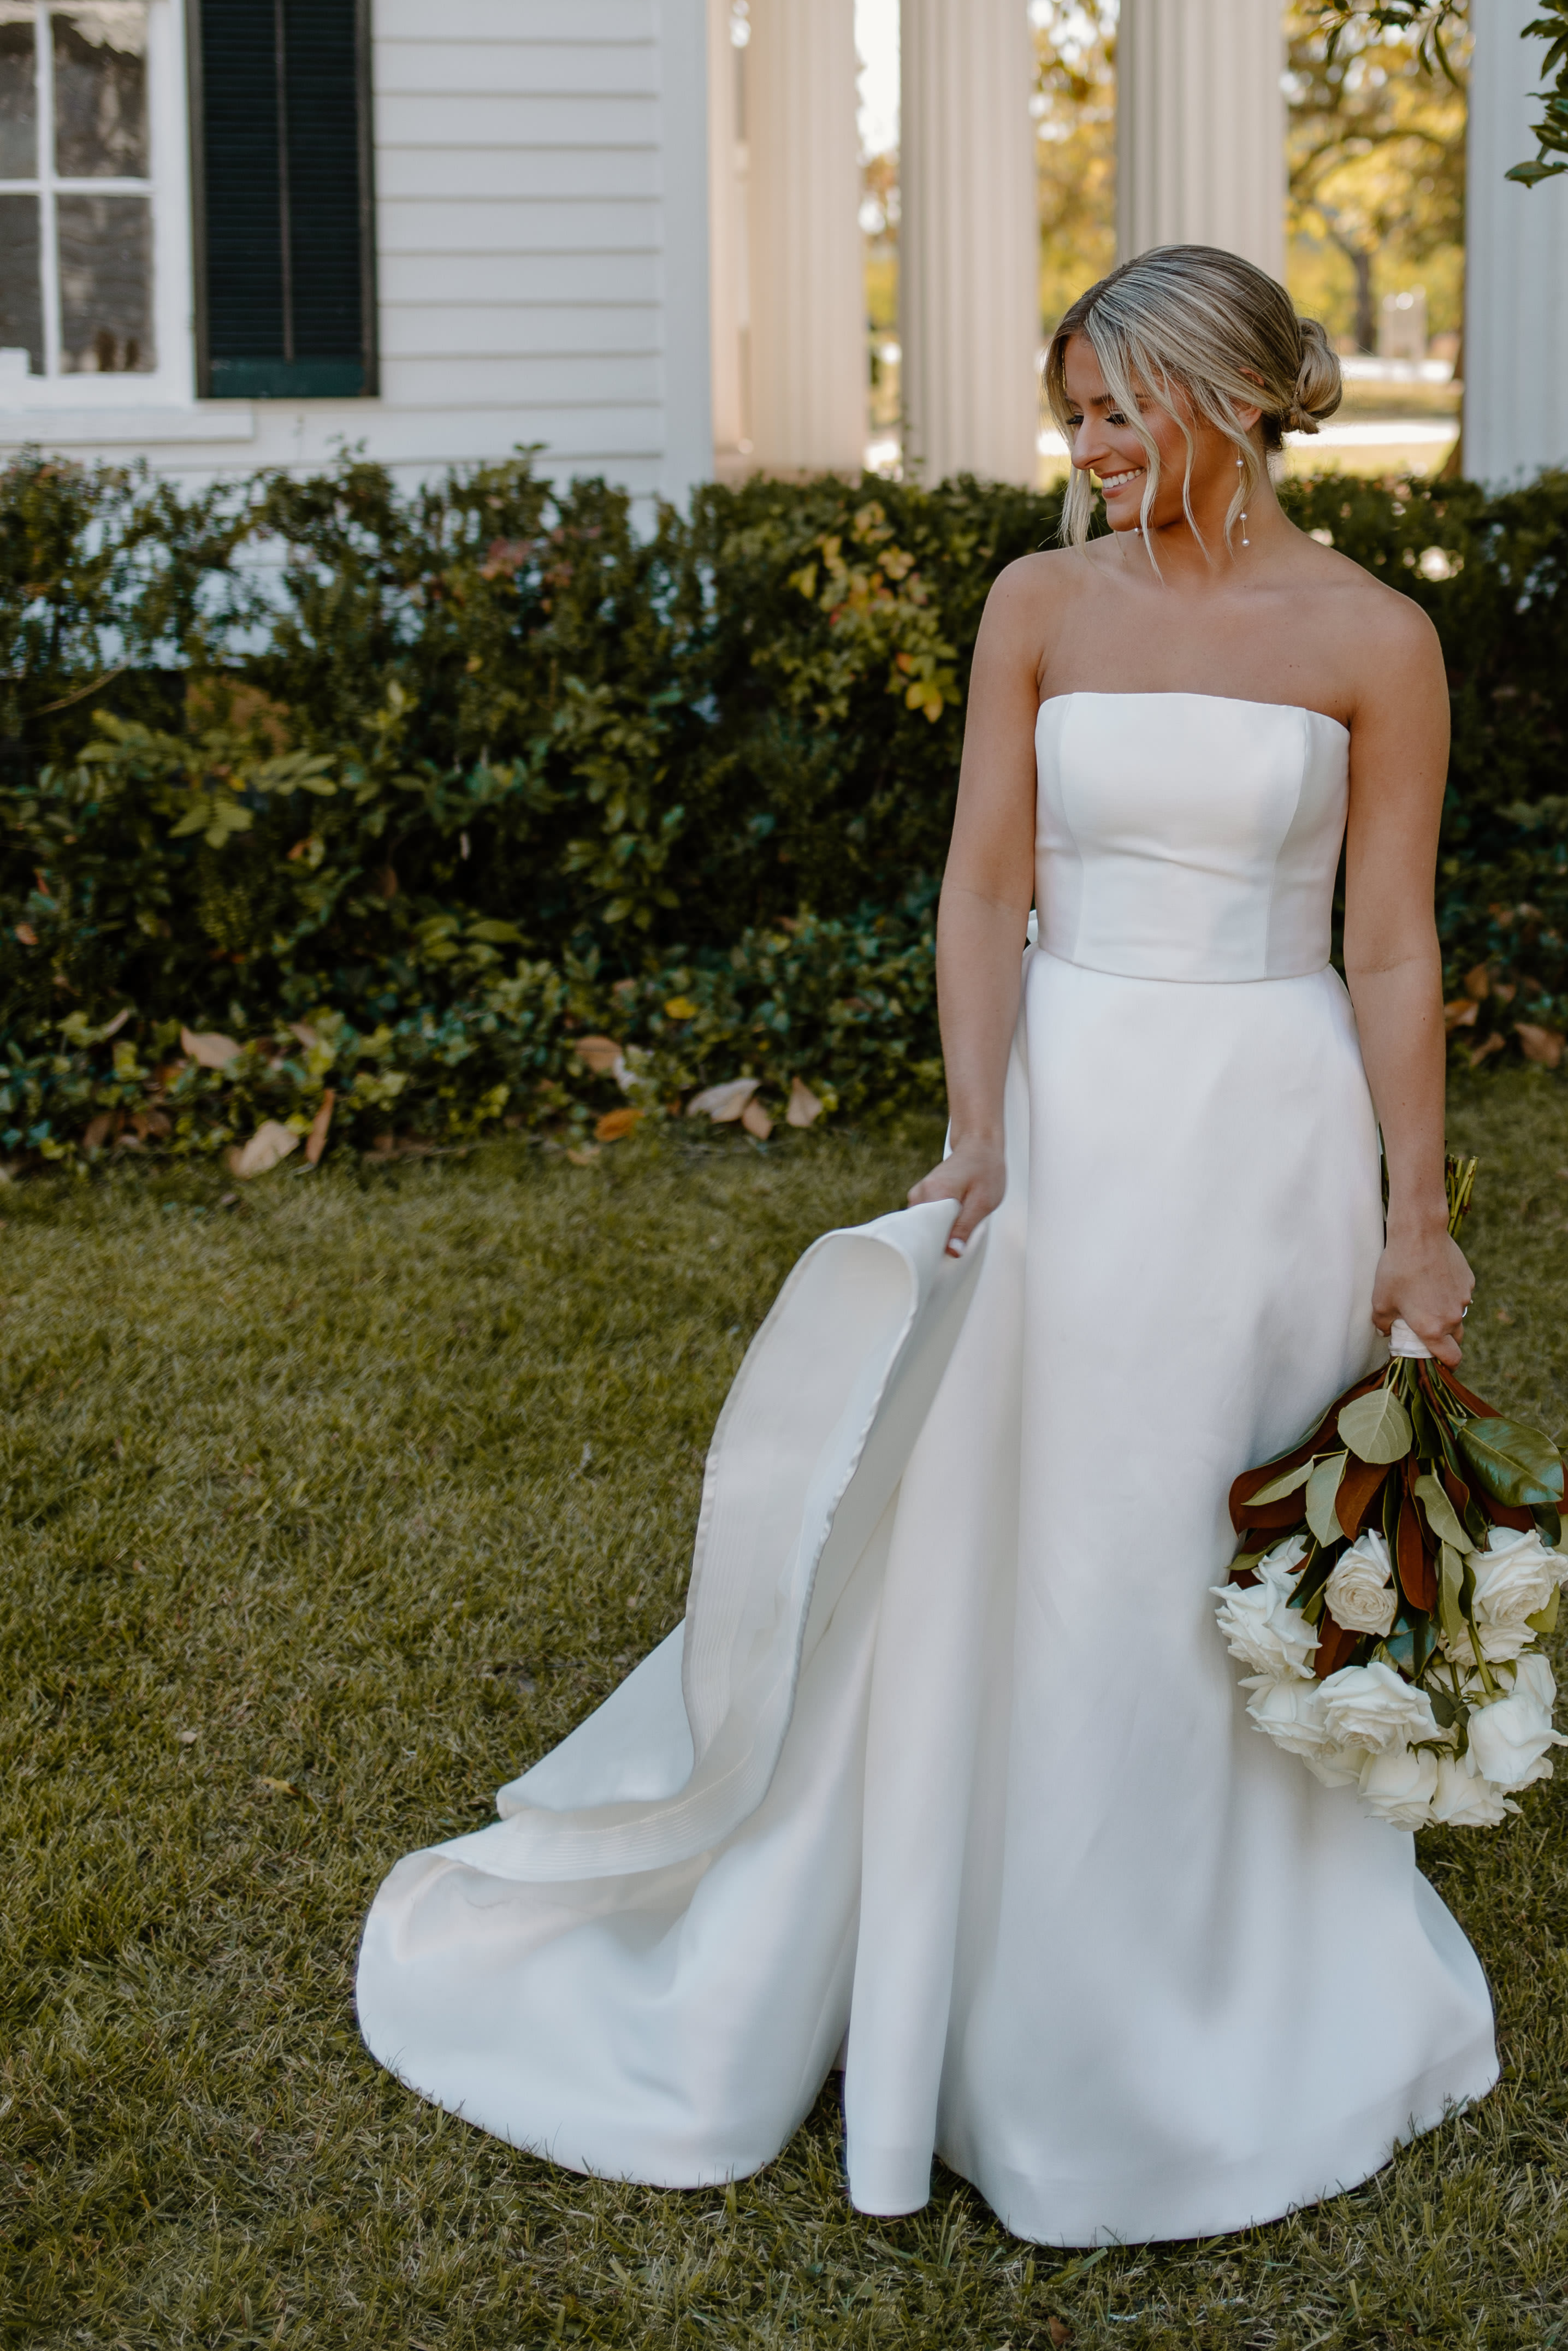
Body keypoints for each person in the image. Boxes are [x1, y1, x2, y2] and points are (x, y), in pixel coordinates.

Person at [357, 244, 1494, 2243]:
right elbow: (983, 885)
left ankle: (1206, 1973)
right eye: (1076, 413)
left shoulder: (1374, 637)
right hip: (1069, 1112)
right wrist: (979, 1122)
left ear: (1232, 400)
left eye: (1121, 411)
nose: (1090, 446)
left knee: (1213, 1532)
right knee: (1041, 1533)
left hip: (1266, 1135)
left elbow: (1388, 945)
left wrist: (1417, 1218)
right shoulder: (1038, 604)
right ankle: (983, 1967)